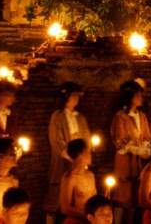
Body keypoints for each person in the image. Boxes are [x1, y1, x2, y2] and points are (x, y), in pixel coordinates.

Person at [46, 82, 91, 224]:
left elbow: (87, 138)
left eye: (78, 96)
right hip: (64, 160)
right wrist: (71, 156)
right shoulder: (57, 116)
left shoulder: (80, 117)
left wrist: (83, 157)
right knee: (56, 197)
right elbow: (56, 140)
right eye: (73, 96)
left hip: (79, 160)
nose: (76, 99)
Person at [110, 80, 151, 223]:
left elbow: (147, 136)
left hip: (138, 162)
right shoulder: (120, 116)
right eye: (137, 96)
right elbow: (120, 141)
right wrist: (136, 149)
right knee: (123, 197)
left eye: (141, 95)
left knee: (135, 198)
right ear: (129, 97)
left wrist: (146, 147)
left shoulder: (142, 116)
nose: (140, 98)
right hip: (125, 162)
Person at [59, 139, 97, 224]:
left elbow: (94, 201)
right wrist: (88, 216)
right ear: (80, 154)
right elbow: (65, 208)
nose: (90, 155)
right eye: (88, 152)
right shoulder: (70, 178)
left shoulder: (90, 175)